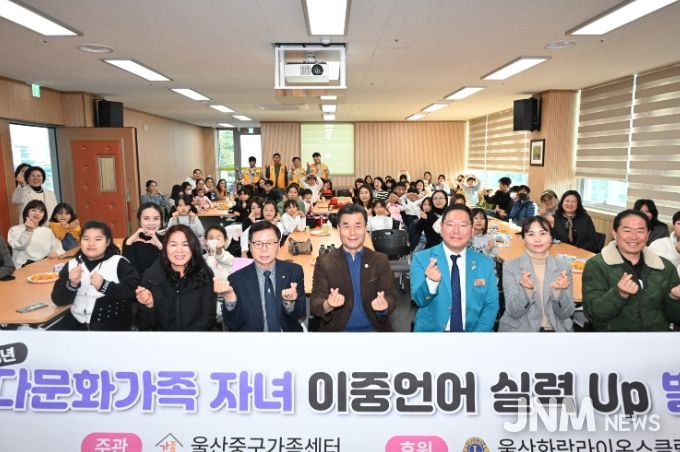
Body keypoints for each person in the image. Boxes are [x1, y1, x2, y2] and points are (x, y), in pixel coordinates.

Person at [582, 209, 680, 331]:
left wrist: (674, 298)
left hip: (657, 336)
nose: (634, 237)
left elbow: (676, 317)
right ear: (615, 233)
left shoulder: (664, 267)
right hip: (616, 338)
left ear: (648, 234)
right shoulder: (597, 265)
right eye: (627, 231)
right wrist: (619, 294)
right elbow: (594, 313)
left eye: (640, 231)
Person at [410, 205, 499, 332]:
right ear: (441, 228)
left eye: (463, 225)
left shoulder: (484, 263)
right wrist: (430, 283)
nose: (456, 231)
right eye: (450, 225)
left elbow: (491, 305)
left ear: (472, 230)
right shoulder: (421, 258)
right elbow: (419, 300)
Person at [310, 203, 398, 332]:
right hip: (338, 331)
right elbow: (315, 302)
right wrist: (328, 304)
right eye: (346, 226)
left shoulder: (380, 260)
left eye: (358, 226)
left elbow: (391, 296)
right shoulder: (325, 262)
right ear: (338, 229)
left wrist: (384, 306)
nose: (352, 233)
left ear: (365, 228)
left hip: (374, 329)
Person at [216, 221, 306, 332]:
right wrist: (230, 298)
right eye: (258, 243)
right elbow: (233, 324)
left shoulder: (293, 271)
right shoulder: (236, 279)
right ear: (250, 246)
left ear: (278, 245)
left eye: (270, 243)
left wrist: (290, 303)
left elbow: (300, 314)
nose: (264, 248)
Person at [51, 221, 140, 331]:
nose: (91, 244)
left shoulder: (118, 263)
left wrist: (105, 285)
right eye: (86, 239)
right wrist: (72, 284)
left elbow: (135, 291)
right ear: (80, 241)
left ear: (108, 242)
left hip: (112, 327)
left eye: (98, 239)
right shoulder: (72, 264)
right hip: (77, 324)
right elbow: (58, 300)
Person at [498, 216, 574, 332]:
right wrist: (527, 292)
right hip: (522, 329)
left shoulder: (564, 267)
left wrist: (558, 293)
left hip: (555, 329)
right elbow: (513, 312)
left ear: (551, 237)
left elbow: (566, 313)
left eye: (543, 233)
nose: (537, 239)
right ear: (523, 238)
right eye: (531, 234)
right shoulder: (510, 266)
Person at [135, 224, 216, 331]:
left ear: (193, 247)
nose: (179, 250)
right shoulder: (151, 276)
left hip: (194, 339)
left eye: (185, 244)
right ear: (165, 248)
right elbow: (143, 324)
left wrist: (182, 339)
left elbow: (207, 317)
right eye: (173, 245)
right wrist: (148, 306)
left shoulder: (204, 274)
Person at [8, 200, 64, 267]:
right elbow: (18, 246)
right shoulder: (15, 230)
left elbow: (59, 248)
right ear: (26, 212)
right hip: (23, 267)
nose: (37, 213)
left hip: (45, 265)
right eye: (33, 210)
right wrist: (28, 231)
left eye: (41, 211)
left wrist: (56, 253)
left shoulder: (47, 231)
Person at [123, 202, 164, 278]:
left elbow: (169, 270)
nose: (151, 223)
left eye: (156, 218)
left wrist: (161, 247)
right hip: (138, 284)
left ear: (161, 221)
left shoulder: (166, 240)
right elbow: (127, 271)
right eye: (146, 218)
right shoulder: (130, 241)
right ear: (139, 220)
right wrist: (128, 244)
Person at [649, 210, 680, 276]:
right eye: (679, 224)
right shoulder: (659, 244)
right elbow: (655, 270)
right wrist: (676, 251)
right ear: (673, 225)